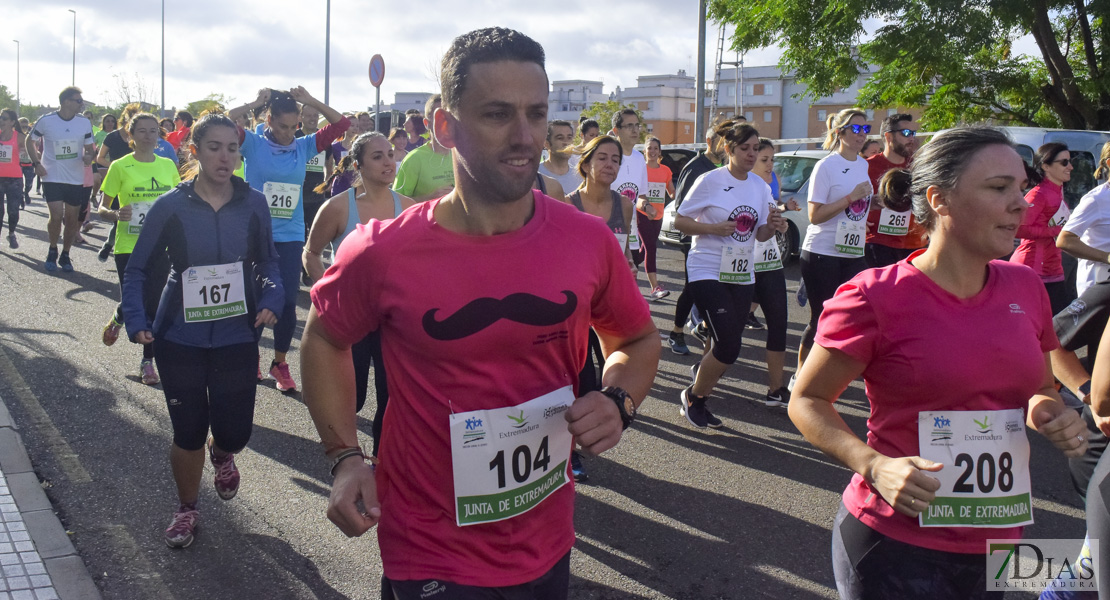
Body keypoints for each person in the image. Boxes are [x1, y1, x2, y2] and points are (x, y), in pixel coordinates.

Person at [302, 27, 659, 598]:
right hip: (429, 546)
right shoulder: (381, 250)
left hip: (547, 538)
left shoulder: (585, 240)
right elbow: (323, 340)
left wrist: (618, 400)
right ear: (446, 127)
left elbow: (637, 340)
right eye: (497, 114)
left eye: (536, 114)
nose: (525, 138)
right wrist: (345, 456)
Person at [787, 126, 1087, 599]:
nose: (1022, 203)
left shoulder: (1025, 287)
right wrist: (873, 466)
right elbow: (806, 400)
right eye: (998, 188)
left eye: (1019, 185)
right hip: (894, 540)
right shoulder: (874, 295)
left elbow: (1038, 390)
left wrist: (1049, 412)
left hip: (998, 536)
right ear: (939, 200)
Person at [121, 113, 282, 549]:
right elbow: (136, 270)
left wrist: (271, 299)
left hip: (236, 335)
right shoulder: (170, 206)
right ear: (195, 151)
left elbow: (268, 263)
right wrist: (136, 321)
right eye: (214, 147)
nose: (225, 157)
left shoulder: (253, 203)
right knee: (188, 431)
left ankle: (224, 450)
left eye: (232, 148)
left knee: (236, 431)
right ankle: (187, 508)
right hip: (179, 338)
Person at [227, 87, 350, 392]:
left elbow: (341, 125)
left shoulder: (304, 145)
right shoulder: (253, 143)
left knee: (283, 301)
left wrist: (309, 102)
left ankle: (279, 363)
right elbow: (227, 120)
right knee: (254, 299)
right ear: (268, 119)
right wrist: (255, 102)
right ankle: (252, 356)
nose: (287, 133)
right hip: (254, 234)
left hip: (290, 235)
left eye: (293, 126)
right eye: (281, 126)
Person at [303, 132, 413, 457]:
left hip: (392, 320)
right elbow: (311, 253)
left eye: (390, 154)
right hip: (350, 319)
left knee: (390, 396)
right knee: (356, 395)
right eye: (378, 156)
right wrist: (328, 295)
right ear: (357, 164)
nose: (388, 161)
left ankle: (381, 466)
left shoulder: (408, 209)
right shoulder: (337, 207)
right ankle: (345, 456)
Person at [674, 121, 785, 428]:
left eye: (755, 149)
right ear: (728, 149)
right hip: (706, 267)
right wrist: (711, 228)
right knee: (730, 345)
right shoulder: (710, 180)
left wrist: (773, 225)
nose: (751, 154)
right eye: (744, 149)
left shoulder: (760, 187)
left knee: (727, 346)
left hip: (741, 272)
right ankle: (695, 398)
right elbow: (680, 220)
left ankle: (699, 394)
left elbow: (760, 235)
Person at [564, 134, 637, 480]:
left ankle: (594, 428)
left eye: (616, 160)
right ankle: (568, 451)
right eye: (603, 158)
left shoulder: (624, 204)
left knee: (611, 366)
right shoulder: (566, 204)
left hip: (610, 301)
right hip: (577, 302)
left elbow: (623, 251)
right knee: (580, 373)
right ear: (587, 163)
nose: (610, 165)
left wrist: (629, 267)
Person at [97, 113, 180, 385]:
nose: (148, 135)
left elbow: (178, 204)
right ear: (131, 135)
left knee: (154, 302)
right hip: (128, 244)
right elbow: (102, 207)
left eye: (153, 131)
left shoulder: (168, 166)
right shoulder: (120, 166)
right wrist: (114, 214)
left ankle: (147, 361)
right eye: (141, 131)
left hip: (161, 244)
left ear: (159, 135)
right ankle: (121, 315)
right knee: (137, 297)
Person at [795, 108, 874, 384]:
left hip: (853, 252)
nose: (862, 135)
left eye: (866, 129)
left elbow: (860, 206)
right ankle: (800, 375)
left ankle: (835, 370)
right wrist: (851, 198)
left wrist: (877, 207)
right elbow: (815, 215)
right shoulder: (826, 166)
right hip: (822, 252)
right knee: (821, 317)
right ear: (839, 132)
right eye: (856, 129)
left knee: (855, 312)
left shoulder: (863, 165)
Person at [665, 123, 726, 355]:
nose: (726, 146)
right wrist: (709, 225)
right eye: (722, 141)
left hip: (720, 239)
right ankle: (676, 332)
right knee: (692, 288)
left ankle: (703, 326)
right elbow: (681, 208)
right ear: (709, 142)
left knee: (718, 286)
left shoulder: (724, 168)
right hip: (693, 237)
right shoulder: (696, 168)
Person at [748, 138, 799, 406]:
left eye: (772, 160)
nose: (770, 165)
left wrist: (779, 221)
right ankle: (705, 374)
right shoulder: (740, 188)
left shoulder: (768, 189)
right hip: (742, 269)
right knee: (726, 333)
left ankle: (775, 389)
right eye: (764, 160)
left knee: (778, 324)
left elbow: (769, 218)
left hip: (770, 265)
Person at [25, 86, 96, 273]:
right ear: (66, 102)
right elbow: (29, 141)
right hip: (52, 176)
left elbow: (91, 149)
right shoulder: (46, 120)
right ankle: (52, 249)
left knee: (72, 219)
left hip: (75, 177)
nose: (82, 104)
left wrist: (89, 156)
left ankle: (65, 252)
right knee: (56, 216)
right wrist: (36, 163)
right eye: (78, 101)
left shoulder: (83, 123)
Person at [1011, 143, 1075, 316]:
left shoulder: (1057, 192)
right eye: (1064, 162)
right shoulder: (1038, 194)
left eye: (1070, 161)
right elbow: (1018, 229)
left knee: (1058, 329)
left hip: (1054, 269)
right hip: (1032, 268)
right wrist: (1054, 231)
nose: (1071, 166)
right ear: (1046, 166)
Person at [864, 113, 924, 268]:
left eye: (913, 133)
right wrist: (859, 219)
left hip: (914, 245)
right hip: (878, 244)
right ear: (889, 137)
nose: (911, 138)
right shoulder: (866, 167)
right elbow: (852, 201)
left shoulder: (919, 166)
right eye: (906, 133)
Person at [393, 95, 454, 202]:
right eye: (438, 117)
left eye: (449, 116)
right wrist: (429, 198)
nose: (445, 122)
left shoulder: (465, 157)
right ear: (427, 124)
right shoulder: (414, 159)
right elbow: (395, 203)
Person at [609, 108, 649, 264]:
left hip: (630, 234)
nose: (635, 130)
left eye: (637, 125)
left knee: (630, 280)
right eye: (629, 126)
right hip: (607, 230)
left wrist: (646, 206)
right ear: (616, 130)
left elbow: (640, 197)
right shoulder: (607, 157)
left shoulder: (639, 158)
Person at [641, 136, 674, 300]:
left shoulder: (666, 170)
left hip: (658, 215)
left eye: (655, 148)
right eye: (649, 148)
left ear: (660, 151)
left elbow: (672, 192)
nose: (652, 151)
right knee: (651, 247)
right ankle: (655, 288)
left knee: (642, 252)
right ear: (644, 151)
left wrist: (680, 197)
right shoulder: (640, 169)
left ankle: (627, 268)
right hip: (642, 213)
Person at [0, 109, 26, 248]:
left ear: (12, 122)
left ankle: (11, 233)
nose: (1, 121)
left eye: (4, 118)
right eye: (0, 118)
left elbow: (32, 151)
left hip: (14, 179)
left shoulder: (19, 137)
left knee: (13, 211)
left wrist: (35, 156)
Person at [538, 120, 582, 192]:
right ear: (547, 144)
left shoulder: (579, 176)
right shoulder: (535, 175)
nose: (566, 143)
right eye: (560, 138)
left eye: (569, 137)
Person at [18, 118, 34, 207]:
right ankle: (20, 196)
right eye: (22, 126)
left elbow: (35, 147)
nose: (24, 128)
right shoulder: (16, 136)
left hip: (28, 163)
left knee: (29, 183)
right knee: (19, 183)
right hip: (19, 164)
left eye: (26, 126)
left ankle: (26, 192)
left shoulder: (30, 136)